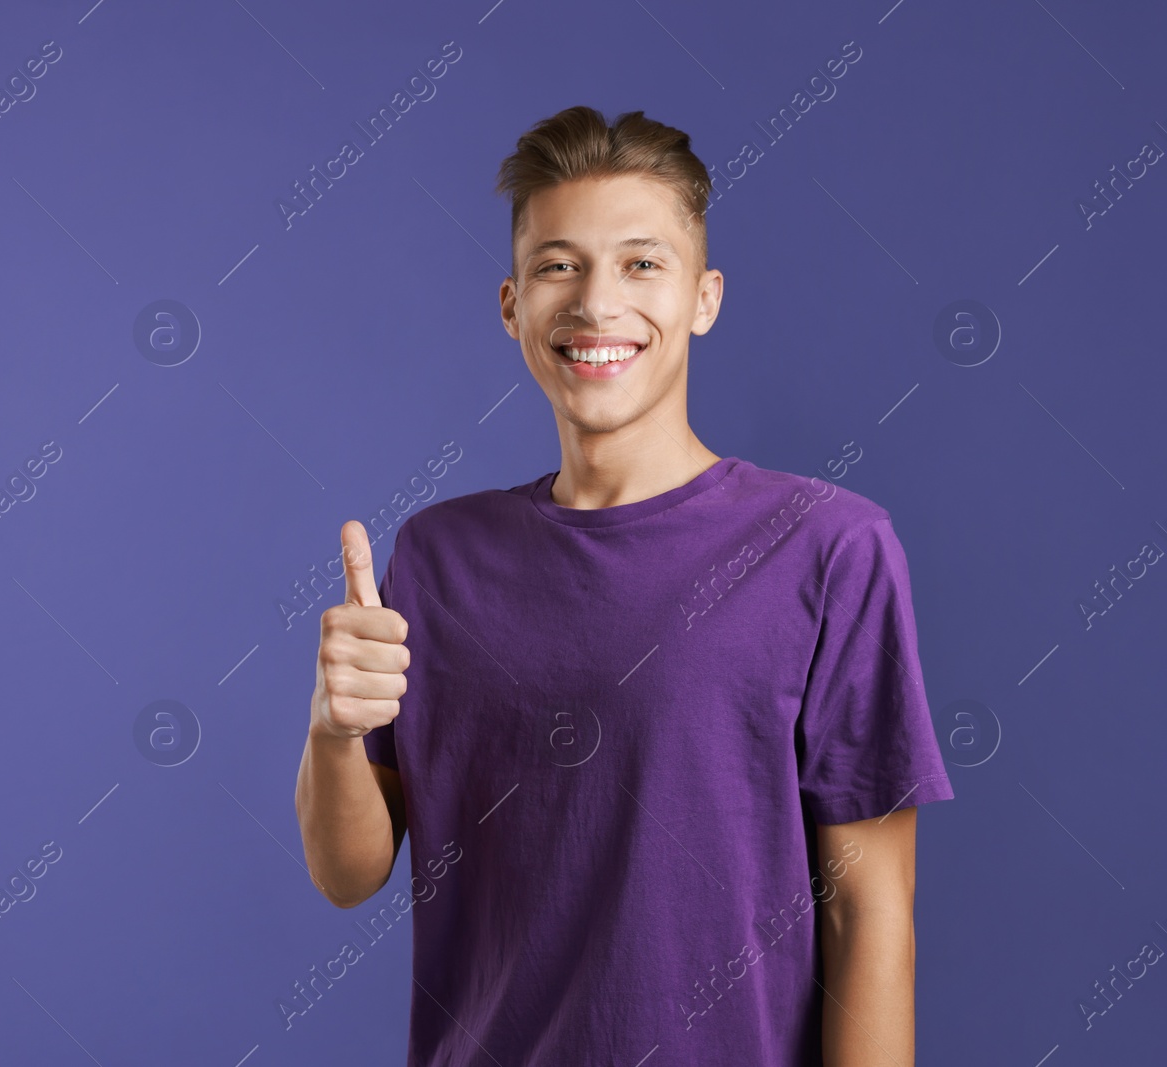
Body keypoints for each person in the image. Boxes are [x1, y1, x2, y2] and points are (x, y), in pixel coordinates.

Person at [294, 105, 953, 1066]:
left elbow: (872, 909)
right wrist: (331, 730)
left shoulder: (829, 548)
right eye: (560, 264)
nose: (598, 304)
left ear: (704, 296)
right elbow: (349, 873)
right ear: (514, 304)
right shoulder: (435, 556)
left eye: (642, 262)